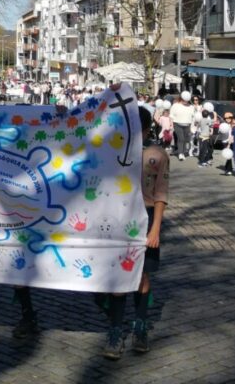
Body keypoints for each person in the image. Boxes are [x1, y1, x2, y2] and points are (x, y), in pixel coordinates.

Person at [102, 103, 169, 359]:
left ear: (146, 128)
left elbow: (161, 193)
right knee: (119, 275)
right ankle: (115, 330)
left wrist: (155, 229)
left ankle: (140, 326)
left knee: (142, 275)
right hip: (117, 217)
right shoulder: (112, 151)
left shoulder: (157, 155)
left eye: (137, 128)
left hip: (146, 215)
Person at [168, 91, 195, 161]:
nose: (185, 101)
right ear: (181, 98)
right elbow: (171, 116)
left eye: (187, 100)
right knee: (181, 138)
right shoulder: (175, 105)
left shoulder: (191, 107)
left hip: (187, 125)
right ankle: (180, 153)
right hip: (177, 124)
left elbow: (193, 117)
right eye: (184, 100)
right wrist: (171, 125)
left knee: (185, 139)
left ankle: (182, 152)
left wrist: (193, 126)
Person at [196, 103, 216, 167]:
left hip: (201, 136)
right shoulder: (207, 120)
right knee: (205, 150)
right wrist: (215, 114)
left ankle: (202, 160)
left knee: (202, 149)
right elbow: (214, 121)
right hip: (205, 137)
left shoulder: (201, 120)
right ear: (207, 115)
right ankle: (201, 162)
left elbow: (197, 124)